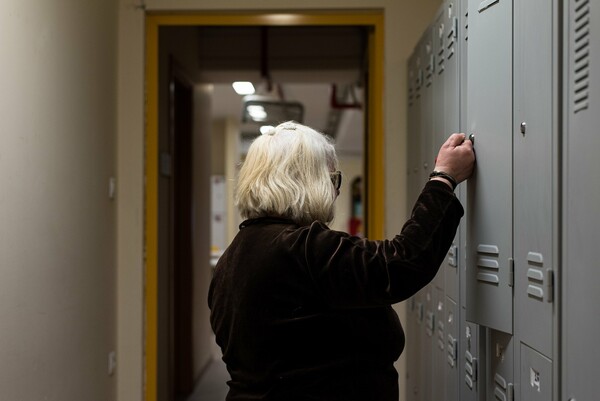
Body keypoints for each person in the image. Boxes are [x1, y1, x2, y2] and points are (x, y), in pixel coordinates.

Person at [208, 121, 475, 401]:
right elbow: (402, 264)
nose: (335, 192)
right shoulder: (302, 249)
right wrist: (443, 178)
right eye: (332, 179)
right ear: (305, 180)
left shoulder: (231, 260)